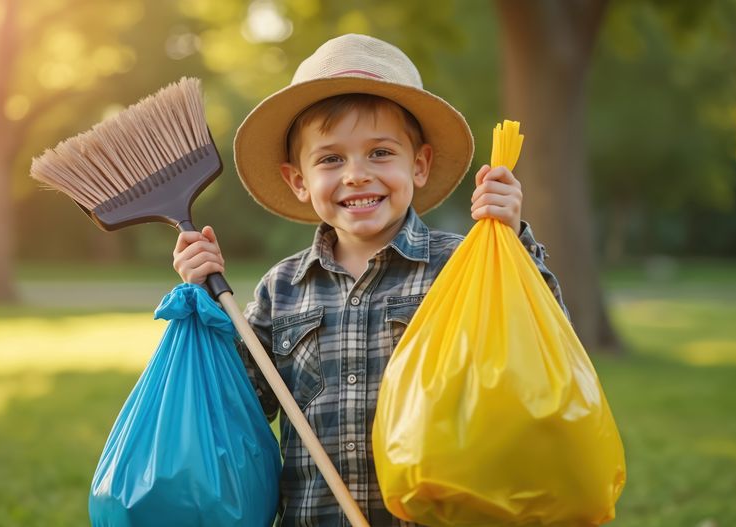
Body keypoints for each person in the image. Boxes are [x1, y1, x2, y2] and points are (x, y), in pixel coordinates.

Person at [173, 33, 568, 527]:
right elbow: (242, 403)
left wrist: (512, 242)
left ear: (418, 165)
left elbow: (542, 341)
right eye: (331, 158)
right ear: (299, 180)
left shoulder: (461, 264)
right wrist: (206, 307)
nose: (357, 174)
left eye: (380, 153)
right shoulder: (282, 288)